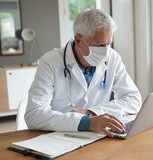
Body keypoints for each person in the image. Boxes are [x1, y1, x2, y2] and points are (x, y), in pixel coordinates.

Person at [25, 8, 142, 138]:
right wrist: (87, 122)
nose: (106, 52)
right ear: (79, 41)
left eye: (108, 44)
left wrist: (91, 112)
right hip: (59, 136)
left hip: (98, 135)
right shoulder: (49, 62)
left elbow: (133, 99)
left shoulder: (113, 57)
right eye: (99, 45)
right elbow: (33, 115)